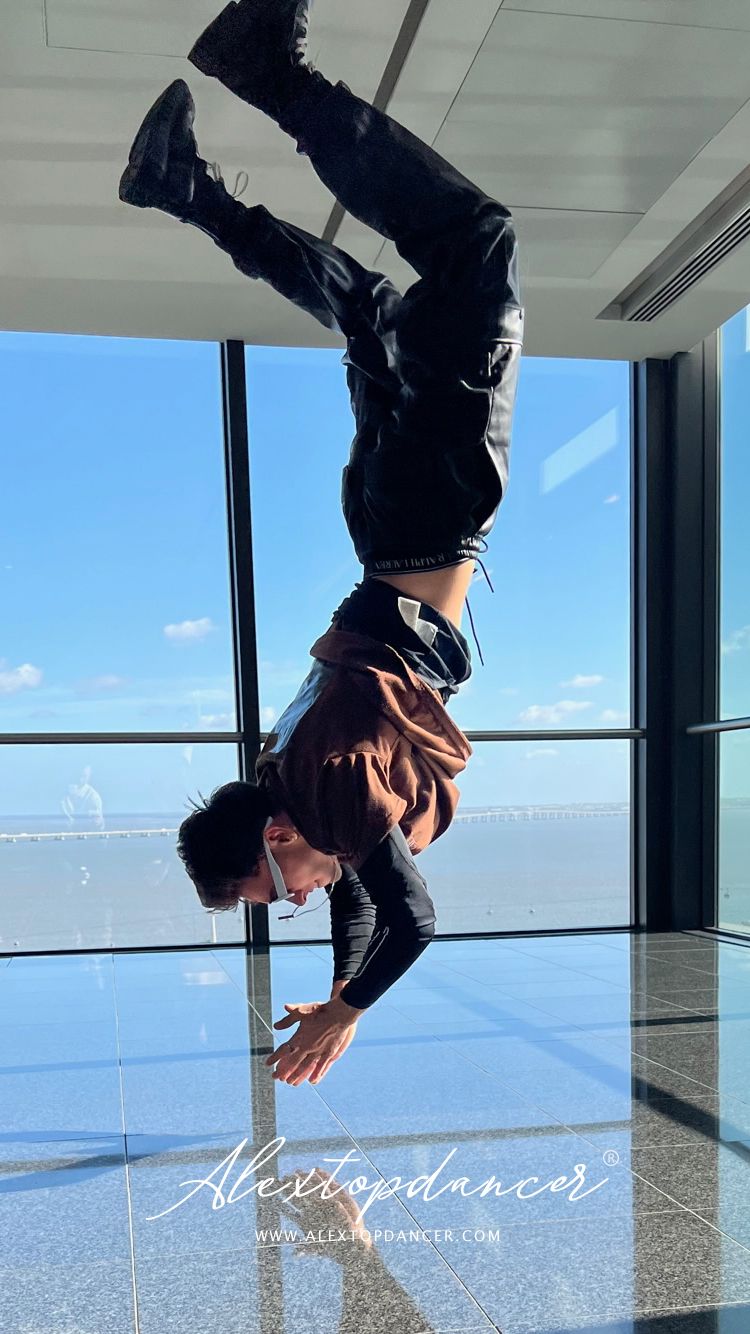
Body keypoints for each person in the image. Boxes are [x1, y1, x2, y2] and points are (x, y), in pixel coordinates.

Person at [119, 0, 524, 1088]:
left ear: (271, 833)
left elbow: (411, 917)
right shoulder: (293, 774)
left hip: (429, 513)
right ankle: (186, 190)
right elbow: (355, 892)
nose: (298, 894)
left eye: (276, 888)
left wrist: (345, 1011)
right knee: (374, 314)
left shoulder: (325, 789)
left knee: (477, 245)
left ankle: (271, 77)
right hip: (387, 524)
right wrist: (344, 983)